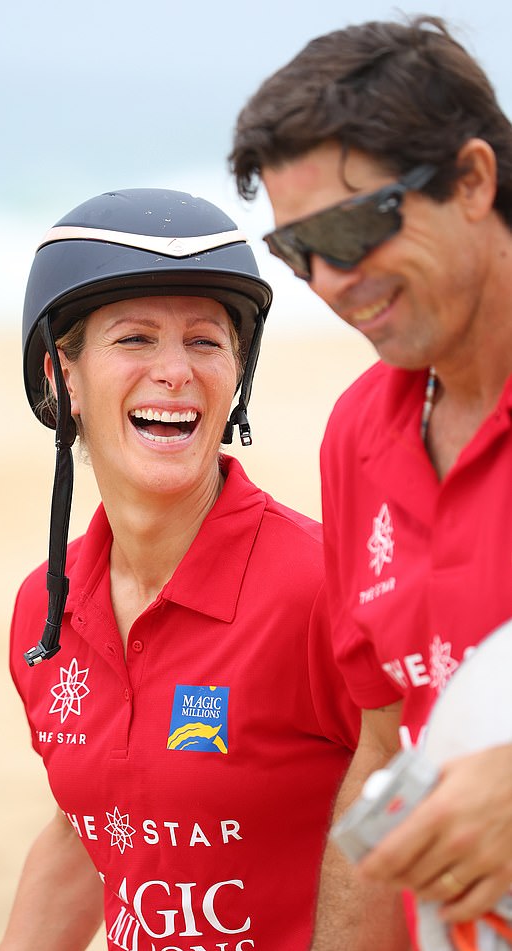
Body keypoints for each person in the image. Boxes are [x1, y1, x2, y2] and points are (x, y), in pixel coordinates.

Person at [0, 187, 359, 951]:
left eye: (204, 341)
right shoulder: (45, 606)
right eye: (134, 339)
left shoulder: (325, 587)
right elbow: (85, 829)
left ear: (237, 376)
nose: (175, 371)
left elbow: (423, 809)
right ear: (62, 377)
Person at [229, 14, 512, 951]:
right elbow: (386, 751)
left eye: (352, 227)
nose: (331, 280)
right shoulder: (360, 431)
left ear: (472, 180)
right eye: (295, 252)